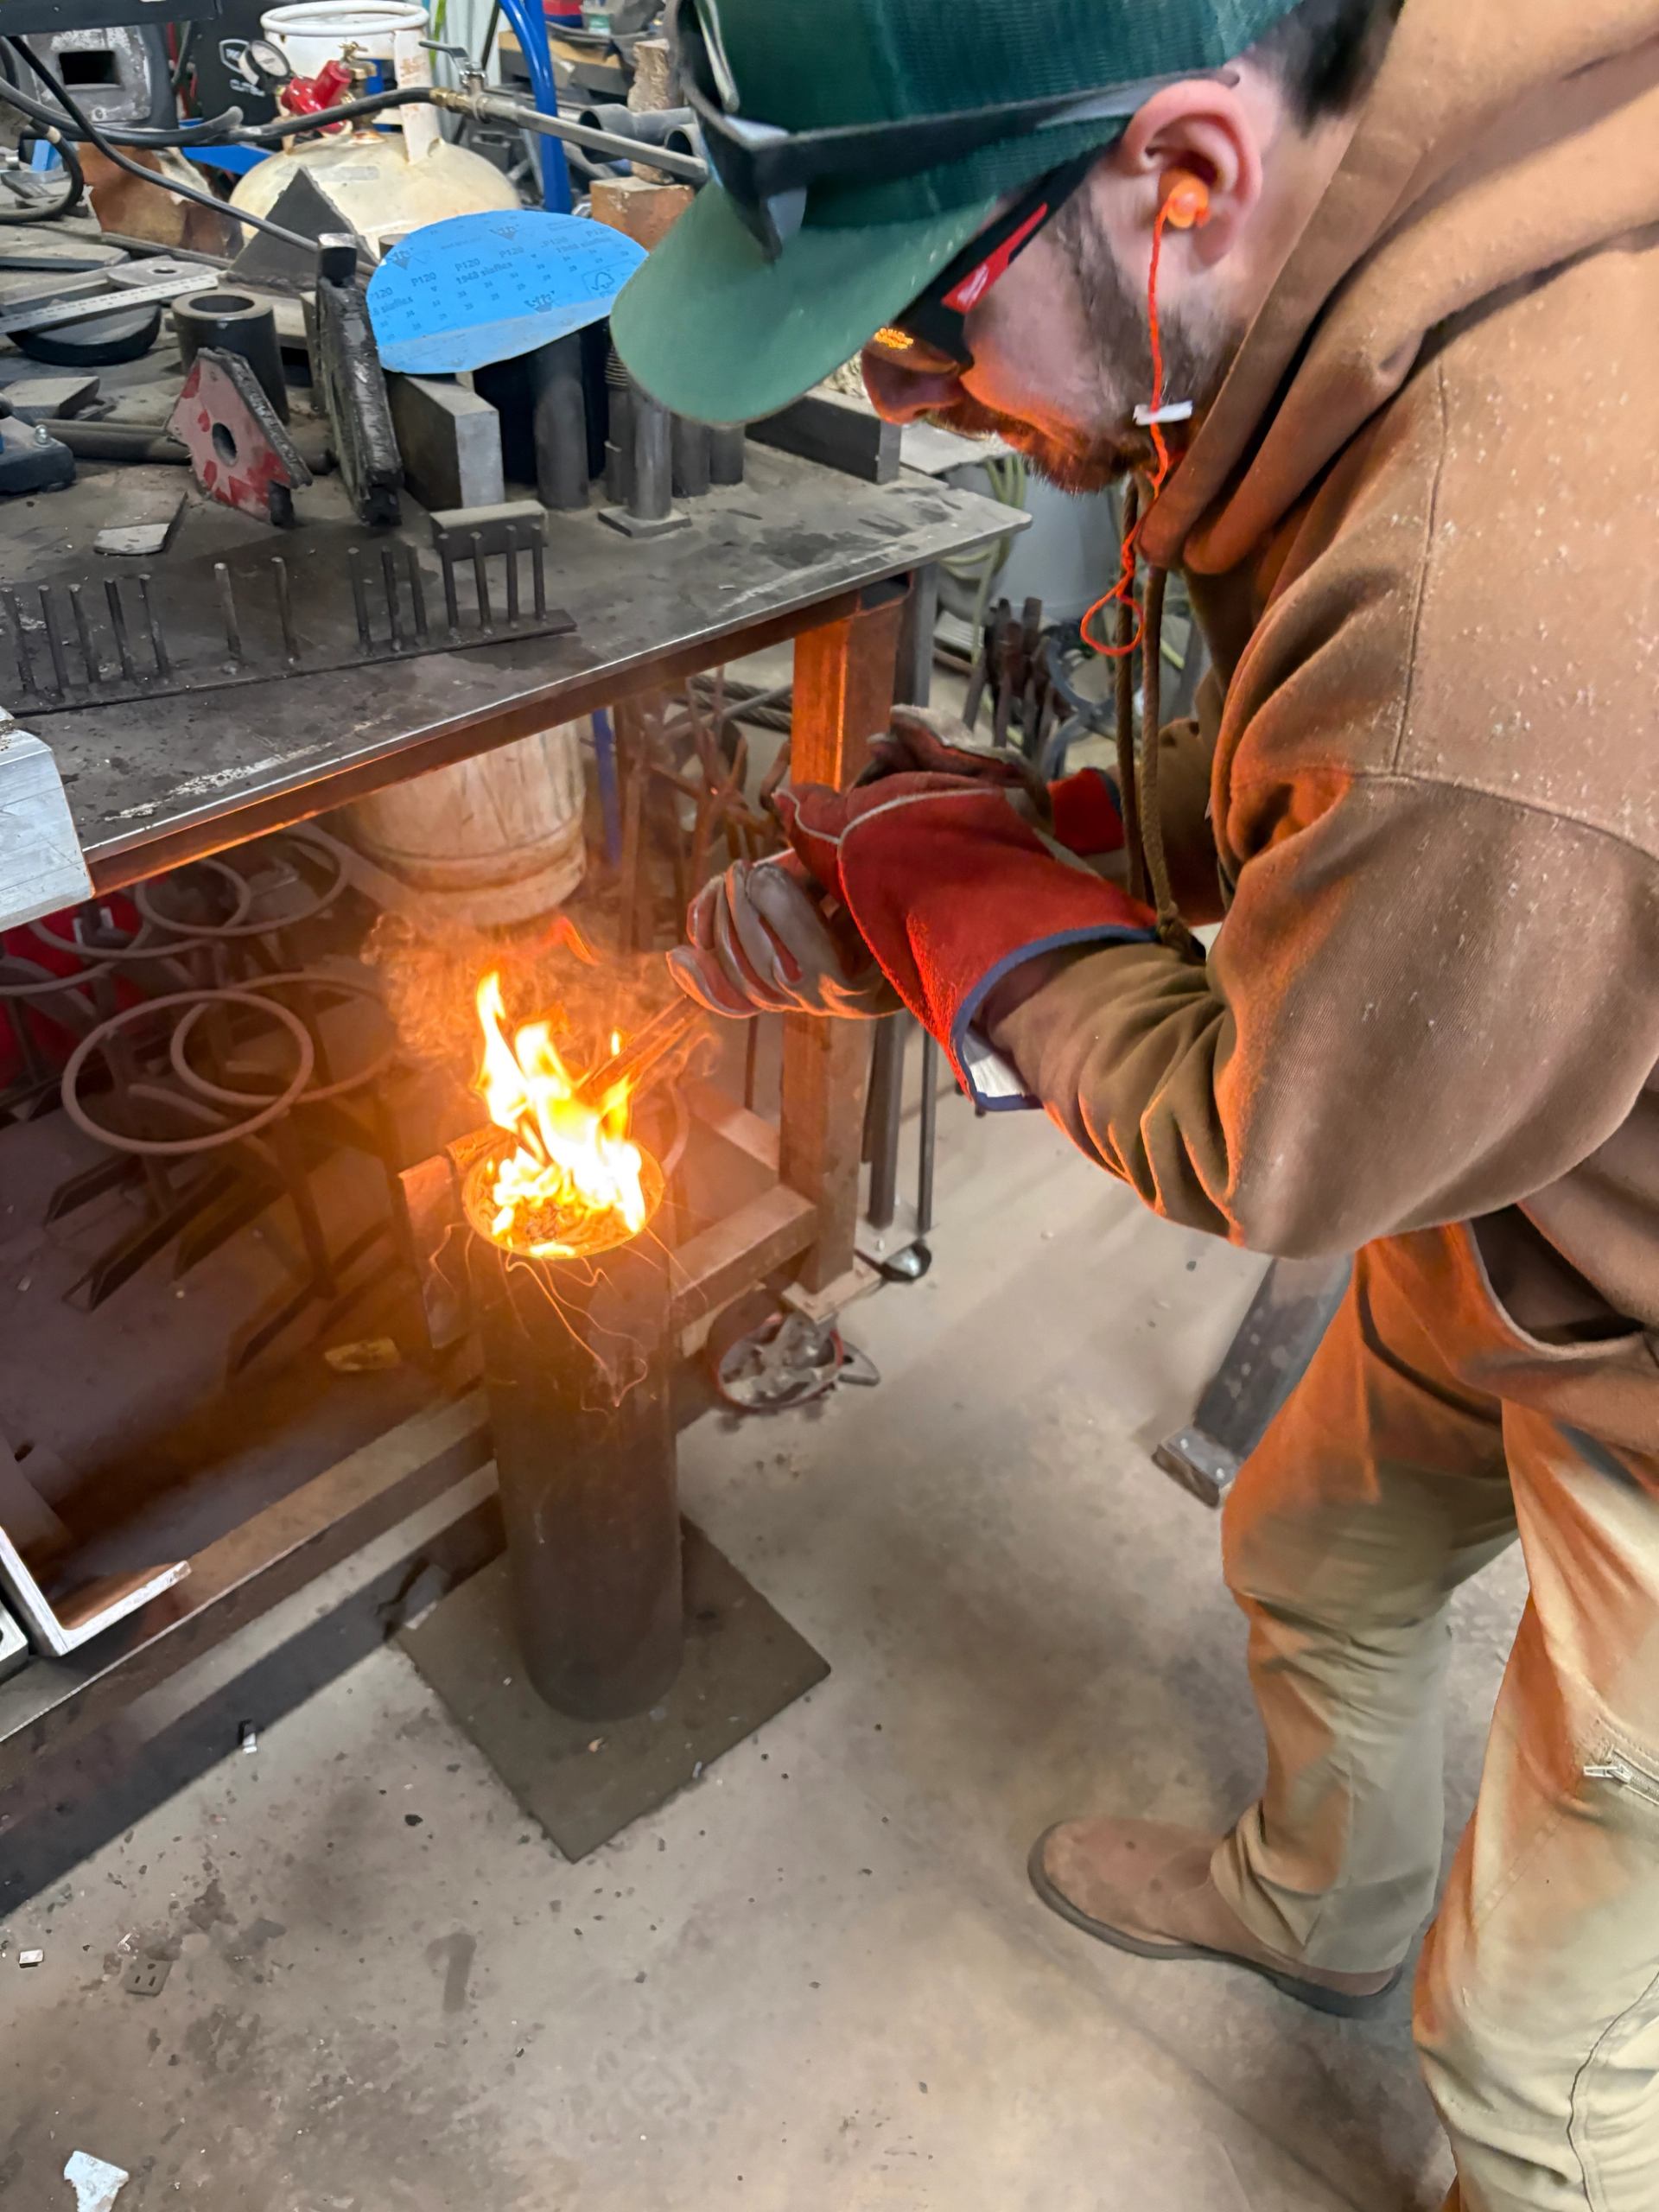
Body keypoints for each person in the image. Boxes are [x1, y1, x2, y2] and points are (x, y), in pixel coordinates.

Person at [611, 1, 1659, 2204]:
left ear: (1182, 178)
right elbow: (1352, 784)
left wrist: (956, 900)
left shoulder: (1514, 594)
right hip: (1543, 1124)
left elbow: (1261, 1131)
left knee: (1552, 2045)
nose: (908, 392)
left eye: (926, 320)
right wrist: (1071, 830)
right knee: (1319, 1544)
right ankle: (1324, 1901)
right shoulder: (1413, 232)